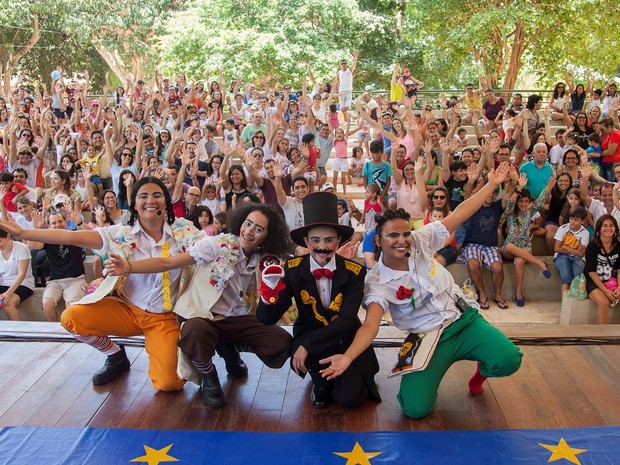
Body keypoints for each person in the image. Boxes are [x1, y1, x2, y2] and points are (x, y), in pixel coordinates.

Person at [319, 162, 522, 419]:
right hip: (427, 338)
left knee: (509, 359)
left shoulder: (421, 239)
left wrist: (492, 183)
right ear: (379, 241)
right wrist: (348, 357)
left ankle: (480, 373)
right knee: (415, 409)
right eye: (393, 235)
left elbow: (461, 213)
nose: (402, 240)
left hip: (464, 322)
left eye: (406, 233)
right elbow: (370, 325)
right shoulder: (377, 282)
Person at [0, 176, 202, 391]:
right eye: (143, 196)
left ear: (166, 201)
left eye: (157, 195)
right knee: (71, 317)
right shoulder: (120, 234)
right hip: (126, 309)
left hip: (163, 317)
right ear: (134, 204)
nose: (150, 201)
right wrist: (22, 232)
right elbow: (69, 237)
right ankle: (115, 356)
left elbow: (211, 249)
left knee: (168, 384)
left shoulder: (184, 232)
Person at [105, 202, 293, 408]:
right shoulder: (215, 245)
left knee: (281, 341)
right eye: (248, 224)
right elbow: (169, 263)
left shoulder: (264, 260)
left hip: (236, 318)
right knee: (194, 331)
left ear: (267, 236)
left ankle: (228, 347)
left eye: (258, 229)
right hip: (204, 317)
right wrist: (128, 266)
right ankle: (209, 376)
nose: (249, 231)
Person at [257, 192, 380, 408]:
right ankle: (319, 378)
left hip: (344, 340)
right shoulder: (293, 269)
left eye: (329, 240)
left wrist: (307, 345)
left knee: (350, 399)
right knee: (322, 396)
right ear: (306, 241)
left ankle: (351, 373)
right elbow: (267, 319)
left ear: (339, 240)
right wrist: (269, 293)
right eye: (315, 240)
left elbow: (345, 321)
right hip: (312, 340)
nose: (322, 246)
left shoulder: (354, 272)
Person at [25, 211, 87, 322]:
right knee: (47, 304)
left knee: (72, 307)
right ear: (49, 226)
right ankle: (54, 328)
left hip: (75, 280)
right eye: (54, 223)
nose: (58, 225)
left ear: (66, 222)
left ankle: (71, 329)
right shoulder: (48, 239)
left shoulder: (75, 235)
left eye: (60, 221)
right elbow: (31, 245)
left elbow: (93, 235)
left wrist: (80, 223)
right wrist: (35, 228)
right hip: (55, 282)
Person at [584, 215, 620, 324]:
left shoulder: (618, 245)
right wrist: (605, 290)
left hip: (612, 278)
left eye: (611, 225)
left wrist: (619, 287)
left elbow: (619, 269)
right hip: (593, 280)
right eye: (605, 226)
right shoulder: (592, 246)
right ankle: (603, 333)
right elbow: (591, 272)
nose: (608, 228)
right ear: (599, 228)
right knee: (603, 302)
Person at [0, 228, 35, 320]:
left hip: (23, 283)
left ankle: (18, 328)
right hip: (4, 282)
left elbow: (21, 274)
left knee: (7, 303)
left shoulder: (21, 248)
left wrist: (8, 292)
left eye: (0, 241)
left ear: (8, 236)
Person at [554, 206, 589, 293]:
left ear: (582, 221)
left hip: (578, 258)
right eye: (571, 219)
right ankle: (565, 300)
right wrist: (575, 250)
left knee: (577, 278)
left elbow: (581, 254)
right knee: (566, 277)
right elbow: (557, 248)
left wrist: (565, 246)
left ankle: (574, 298)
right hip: (562, 256)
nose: (573, 222)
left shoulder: (585, 233)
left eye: (576, 220)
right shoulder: (563, 228)